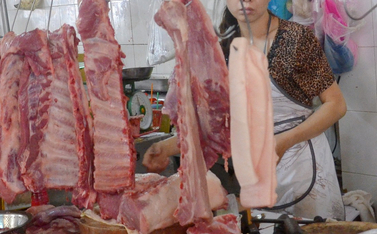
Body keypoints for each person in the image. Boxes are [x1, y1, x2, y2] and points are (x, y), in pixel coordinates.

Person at [143, 0, 347, 220]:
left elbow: (336, 105)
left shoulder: (295, 40)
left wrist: (283, 142)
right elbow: (216, 126)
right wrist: (166, 147)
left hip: (304, 172)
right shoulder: (222, 47)